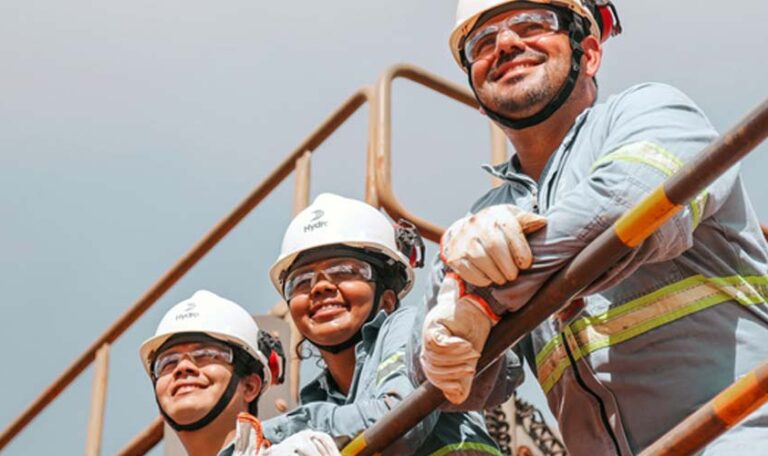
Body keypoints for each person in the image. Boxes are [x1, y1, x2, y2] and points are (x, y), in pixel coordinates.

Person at [418, 0, 768, 454]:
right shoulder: (482, 219)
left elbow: (621, 207)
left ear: (590, 53)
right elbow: (464, 388)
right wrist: (439, 337)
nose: (505, 43)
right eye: (483, 43)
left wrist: (478, 294)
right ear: (480, 99)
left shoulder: (651, 113)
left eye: (531, 23)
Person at [263, 193, 506, 455]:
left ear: (387, 300)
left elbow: (400, 421)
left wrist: (272, 433)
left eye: (345, 270)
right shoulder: (322, 397)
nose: (320, 286)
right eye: (301, 281)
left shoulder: (410, 327)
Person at [139, 289, 340, 456]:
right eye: (168, 362)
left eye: (206, 354)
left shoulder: (301, 452)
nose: (182, 367)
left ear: (250, 386)